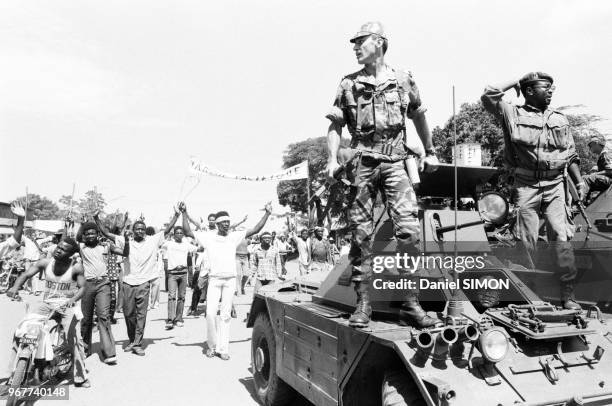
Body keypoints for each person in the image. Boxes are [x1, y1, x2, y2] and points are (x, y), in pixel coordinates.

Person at [325, 22, 440, 328]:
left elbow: (418, 116)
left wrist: (430, 151)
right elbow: (335, 125)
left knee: (409, 232)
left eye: (360, 41)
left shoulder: (403, 79)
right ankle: (363, 305)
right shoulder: (349, 84)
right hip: (362, 161)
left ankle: (411, 303)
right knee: (361, 234)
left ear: (379, 42)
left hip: (395, 161)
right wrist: (330, 159)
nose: (355, 47)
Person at [481, 72, 585, 310]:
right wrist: (516, 79)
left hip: (556, 185)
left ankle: (568, 296)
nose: (550, 91)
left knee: (561, 238)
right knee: (526, 242)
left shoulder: (560, 119)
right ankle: (529, 295)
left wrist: (578, 182)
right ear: (528, 91)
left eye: (552, 88)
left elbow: (571, 154)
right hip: (526, 185)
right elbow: (488, 94)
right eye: (545, 87)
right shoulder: (511, 113)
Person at [181, 202, 272, 360]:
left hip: (230, 280)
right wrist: (184, 213)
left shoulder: (234, 236)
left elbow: (256, 229)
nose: (226, 224)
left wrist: (267, 213)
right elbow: (188, 231)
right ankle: (212, 346)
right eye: (223, 222)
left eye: (228, 222)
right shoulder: (208, 237)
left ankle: (223, 349)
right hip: (215, 280)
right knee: (210, 314)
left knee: (225, 315)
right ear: (217, 224)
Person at [95, 206, 180, 356]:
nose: (140, 231)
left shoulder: (153, 240)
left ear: (145, 230)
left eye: (142, 229)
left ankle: (137, 343)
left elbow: (167, 231)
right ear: (133, 231)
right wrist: (96, 219)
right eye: (137, 229)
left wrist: (176, 215)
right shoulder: (124, 240)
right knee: (128, 314)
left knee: (141, 315)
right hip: (128, 283)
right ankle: (132, 339)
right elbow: (106, 233)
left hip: (144, 283)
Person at [7, 238, 90, 387]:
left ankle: (81, 376)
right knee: (23, 328)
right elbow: (26, 275)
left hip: (67, 306)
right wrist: (15, 287)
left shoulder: (76, 267)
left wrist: (73, 299)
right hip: (47, 304)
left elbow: (83, 287)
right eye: (58, 247)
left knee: (73, 340)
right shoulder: (45, 262)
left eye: (63, 249)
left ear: (71, 254)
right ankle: (13, 371)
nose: (58, 250)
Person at [76, 221, 129, 364]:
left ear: (97, 234)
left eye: (93, 232)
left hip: (103, 284)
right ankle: (85, 348)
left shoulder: (106, 246)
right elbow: (70, 239)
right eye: (87, 234)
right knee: (85, 319)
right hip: (87, 284)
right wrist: (74, 224)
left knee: (103, 317)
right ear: (84, 236)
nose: (90, 235)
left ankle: (109, 353)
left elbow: (124, 252)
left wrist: (127, 241)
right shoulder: (81, 247)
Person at [162, 226, 197, 329]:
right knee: (171, 296)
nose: (179, 234)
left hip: (183, 273)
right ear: (174, 234)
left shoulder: (186, 245)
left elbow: (198, 248)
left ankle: (178, 318)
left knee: (181, 297)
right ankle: (170, 319)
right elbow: (159, 243)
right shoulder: (169, 244)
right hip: (172, 273)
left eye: (181, 233)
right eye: (177, 233)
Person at [582, 134, 612, 201]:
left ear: (596, 143)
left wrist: (596, 174)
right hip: (608, 180)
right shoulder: (603, 154)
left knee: (585, 179)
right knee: (587, 179)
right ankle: (587, 201)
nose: (589, 147)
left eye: (590, 145)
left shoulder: (605, 154)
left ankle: (580, 202)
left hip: (609, 180)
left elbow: (610, 171)